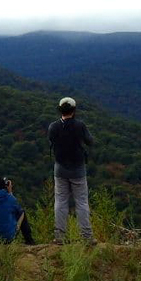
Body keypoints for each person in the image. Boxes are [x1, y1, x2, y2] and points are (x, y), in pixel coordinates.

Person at [48, 97, 95, 244]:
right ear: (74, 110)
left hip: (60, 168)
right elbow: (90, 141)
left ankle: (60, 237)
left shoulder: (53, 127)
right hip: (78, 168)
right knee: (81, 202)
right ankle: (86, 236)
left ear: (60, 110)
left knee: (61, 202)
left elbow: (51, 141)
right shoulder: (80, 125)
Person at [0, 176, 36, 244]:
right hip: (7, 238)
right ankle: (29, 240)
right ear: (4, 185)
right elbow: (17, 209)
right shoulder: (10, 198)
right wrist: (10, 192)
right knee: (22, 212)